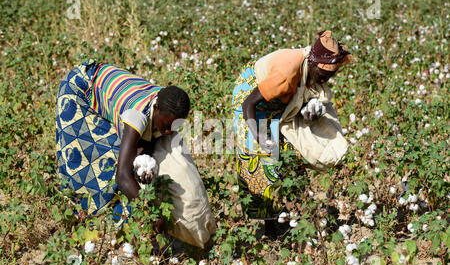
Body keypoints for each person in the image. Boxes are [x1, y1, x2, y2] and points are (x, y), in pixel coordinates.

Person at [56, 59, 216, 248]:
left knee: (141, 160)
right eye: (164, 127)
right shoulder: (137, 116)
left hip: (111, 86)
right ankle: (86, 217)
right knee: (96, 159)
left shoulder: (170, 105)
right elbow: (122, 177)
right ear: (156, 108)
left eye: (174, 128)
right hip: (81, 89)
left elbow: (148, 145)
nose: (167, 133)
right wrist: (149, 214)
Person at [232, 30, 354, 232]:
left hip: (275, 100)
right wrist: (260, 135)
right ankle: (270, 226)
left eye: (331, 76)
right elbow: (248, 105)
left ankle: (294, 213)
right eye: (325, 75)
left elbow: (300, 98)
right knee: (264, 159)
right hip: (252, 103)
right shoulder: (286, 74)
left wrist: (309, 112)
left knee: (290, 153)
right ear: (314, 65)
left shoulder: (310, 68)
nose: (326, 80)